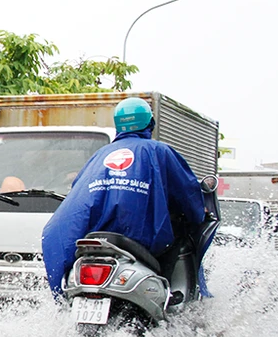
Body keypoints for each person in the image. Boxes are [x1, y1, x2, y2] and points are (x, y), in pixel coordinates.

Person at [41, 97, 206, 297]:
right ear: (150, 123)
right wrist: (199, 213)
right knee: (180, 244)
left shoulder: (100, 155)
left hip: (99, 241)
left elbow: (78, 191)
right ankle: (171, 297)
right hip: (145, 244)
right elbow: (186, 191)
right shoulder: (160, 151)